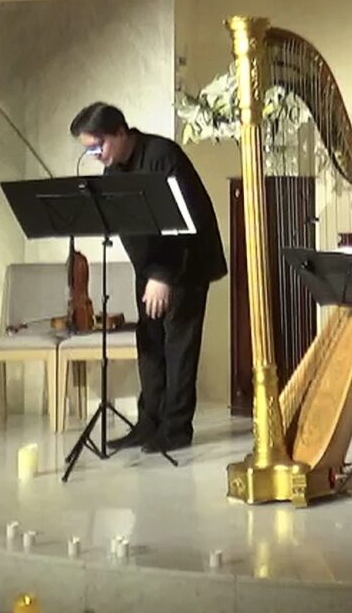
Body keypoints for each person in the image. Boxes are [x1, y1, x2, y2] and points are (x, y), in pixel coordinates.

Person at [69, 102, 227, 453]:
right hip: (151, 268)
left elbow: (185, 223)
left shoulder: (162, 156)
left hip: (185, 265)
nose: (96, 155)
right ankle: (148, 424)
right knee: (149, 345)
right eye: (90, 150)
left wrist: (163, 276)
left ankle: (176, 430)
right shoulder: (112, 172)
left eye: (99, 145)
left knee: (178, 347)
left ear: (120, 132)